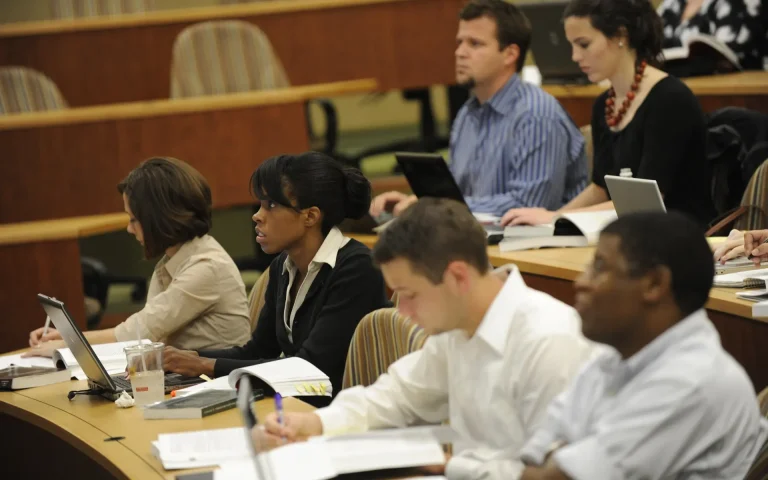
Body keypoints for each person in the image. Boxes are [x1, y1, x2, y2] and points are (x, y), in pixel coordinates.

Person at [257, 198, 597, 479]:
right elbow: (397, 395)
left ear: (457, 278)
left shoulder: (548, 340)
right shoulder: (458, 327)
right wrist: (314, 422)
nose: (402, 311)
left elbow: (556, 472)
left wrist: (450, 466)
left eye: (409, 294)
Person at [518, 212, 767, 479]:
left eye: (599, 268)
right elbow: (533, 454)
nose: (581, 282)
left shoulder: (693, 381)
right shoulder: (612, 358)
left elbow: (550, 477)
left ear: (654, 284)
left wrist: (560, 459)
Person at [161, 152, 390, 402]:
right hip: (296, 409)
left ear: (310, 216)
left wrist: (207, 365)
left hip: (341, 418)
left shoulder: (356, 268)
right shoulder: (284, 265)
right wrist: (190, 357)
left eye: (270, 205)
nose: (257, 215)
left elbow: (311, 367)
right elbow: (258, 349)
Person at [501, 0, 716, 228]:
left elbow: (646, 203)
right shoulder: (605, 102)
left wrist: (556, 218)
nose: (574, 56)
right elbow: (601, 189)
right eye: (572, 45)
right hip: (632, 233)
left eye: (583, 44)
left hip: (681, 235)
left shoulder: (670, 99)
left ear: (620, 36)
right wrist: (550, 220)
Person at [370, 0, 588, 219]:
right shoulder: (467, 114)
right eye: (459, 42)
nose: (460, 53)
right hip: (477, 239)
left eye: (474, 44)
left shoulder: (537, 115)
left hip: (535, 246)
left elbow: (528, 204)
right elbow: (455, 195)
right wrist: (415, 202)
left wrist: (435, 206)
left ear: (510, 54)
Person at [27, 157, 251, 355]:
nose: (129, 228)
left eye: (133, 219)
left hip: (217, 387)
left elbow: (138, 332)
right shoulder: (172, 262)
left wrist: (69, 342)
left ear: (158, 219)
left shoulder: (206, 267)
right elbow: (142, 338)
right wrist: (65, 338)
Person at [658, 0, 768, 71]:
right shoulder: (670, 4)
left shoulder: (741, 3)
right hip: (673, 91)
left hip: (733, 95)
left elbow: (728, 62)